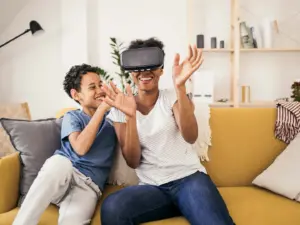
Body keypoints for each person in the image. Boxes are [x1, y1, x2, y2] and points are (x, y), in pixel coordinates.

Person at [100, 38, 235, 225]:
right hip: (152, 189)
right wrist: (130, 116)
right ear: (131, 72)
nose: (144, 72)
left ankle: (188, 203)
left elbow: (191, 136)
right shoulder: (121, 108)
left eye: (151, 65)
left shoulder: (172, 97)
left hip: (189, 180)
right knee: (112, 207)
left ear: (161, 70)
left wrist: (180, 87)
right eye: (138, 67)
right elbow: (132, 161)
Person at [13, 64, 117, 225]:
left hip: (88, 187)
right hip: (63, 175)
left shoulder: (113, 118)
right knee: (58, 163)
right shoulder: (73, 117)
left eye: (100, 84)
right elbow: (80, 148)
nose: (100, 90)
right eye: (92, 87)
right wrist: (101, 109)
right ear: (76, 95)